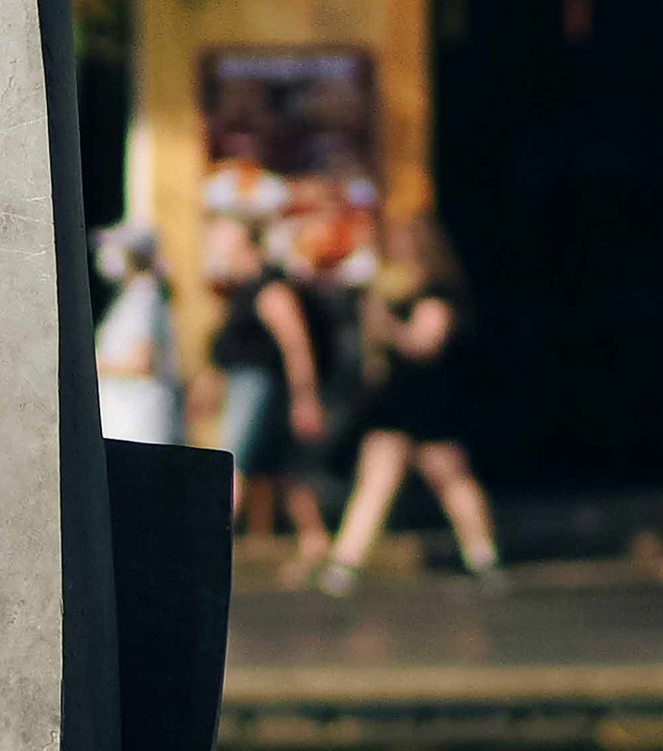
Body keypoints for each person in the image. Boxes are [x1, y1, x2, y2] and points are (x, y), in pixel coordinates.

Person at [318, 230, 501, 595]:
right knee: (377, 479)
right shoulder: (390, 294)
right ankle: (345, 562)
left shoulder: (435, 296)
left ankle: (482, 556)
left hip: (427, 402)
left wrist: (383, 322)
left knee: (449, 477)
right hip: (395, 404)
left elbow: (424, 345)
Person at [194, 216, 332, 576]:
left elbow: (296, 346)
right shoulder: (240, 290)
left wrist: (305, 398)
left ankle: (207, 550)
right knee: (286, 470)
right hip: (246, 385)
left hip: (260, 387)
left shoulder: (269, 289)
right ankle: (316, 542)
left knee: (232, 463)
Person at [92, 225, 181, 446]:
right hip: (127, 420)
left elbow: (141, 362)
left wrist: (92, 365)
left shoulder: (143, 297)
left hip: (138, 423)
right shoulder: (135, 295)